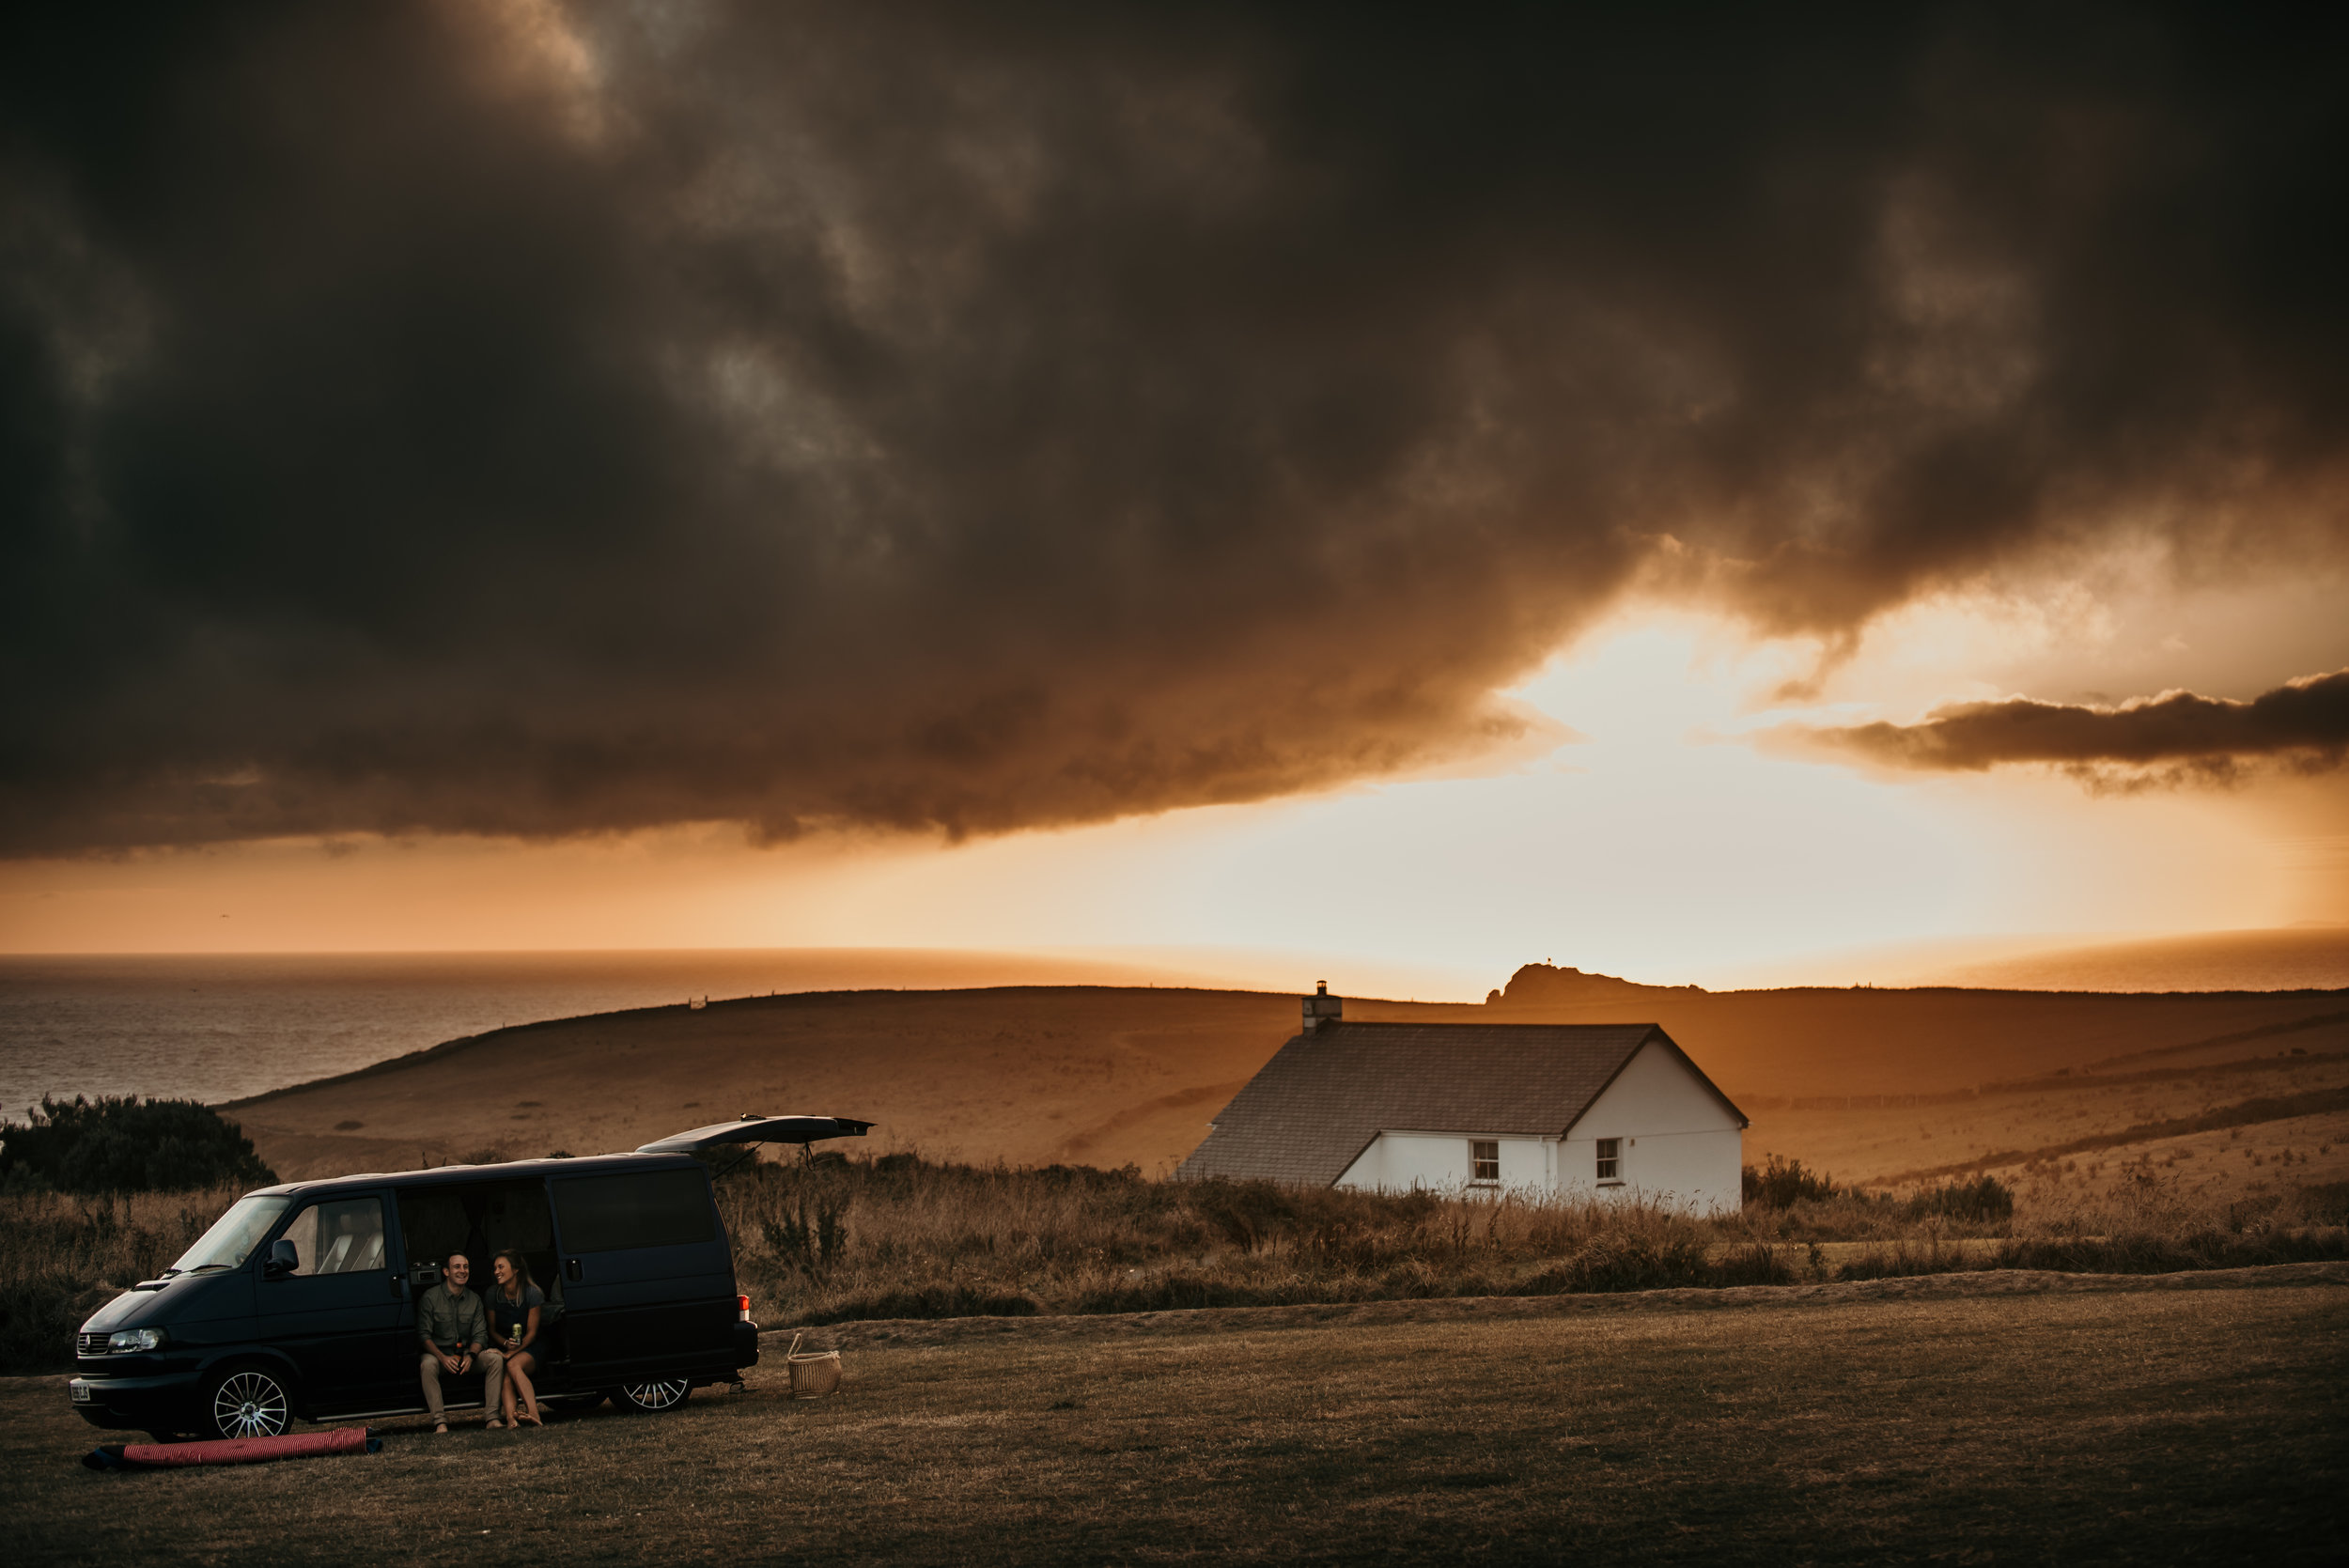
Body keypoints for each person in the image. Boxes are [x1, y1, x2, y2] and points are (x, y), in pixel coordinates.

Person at [416, 1252, 504, 1433]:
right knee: (427, 1365)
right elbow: (424, 1336)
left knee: (495, 1360)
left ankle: (492, 1418)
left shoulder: (474, 1300)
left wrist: (471, 1356)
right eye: (457, 1267)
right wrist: (442, 1358)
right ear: (446, 1271)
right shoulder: (430, 1298)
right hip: (439, 1354)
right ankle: (440, 1422)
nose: (463, 1271)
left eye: (466, 1267)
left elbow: (480, 1335)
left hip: (466, 1355)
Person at [484, 1249, 547, 1428]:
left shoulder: (532, 1293)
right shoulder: (492, 1294)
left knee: (512, 1365)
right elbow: (492, 1329)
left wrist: (509, 1354)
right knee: (506, 1375)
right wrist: (505, 1344)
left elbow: (532, 1333)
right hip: (506, 1344)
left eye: (501, 1267)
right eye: (495, 1268)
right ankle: (512, 1419)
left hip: (531, 1345)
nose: (496, 1272)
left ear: (516, 1269)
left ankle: (534, 1414)